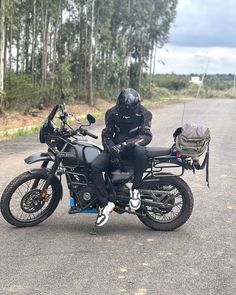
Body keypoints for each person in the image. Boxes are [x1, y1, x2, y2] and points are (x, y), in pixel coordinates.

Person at [91, 88, 152, 227]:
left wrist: (125, 145)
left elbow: (146, 136)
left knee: (142, 155)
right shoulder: (111, 113)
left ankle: (135, 190)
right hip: (115, 148)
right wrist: (111, 149)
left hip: (132, 148)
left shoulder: (145, 113)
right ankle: (104, 205)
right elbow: (106, 134)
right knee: (95, 167)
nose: (124, 113)